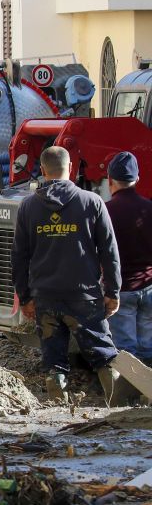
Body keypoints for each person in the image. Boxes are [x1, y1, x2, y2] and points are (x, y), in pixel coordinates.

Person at [13, 146, 122, 402]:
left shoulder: (28, 207)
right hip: (83, 296)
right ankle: (119, 407)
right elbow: (109, 250)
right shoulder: (92, 202)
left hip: (46, 297)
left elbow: (18, 256)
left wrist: (25, 296)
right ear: (70, 167)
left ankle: (56, 412)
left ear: (42, 170)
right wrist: (112, 291)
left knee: (53, 360)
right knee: (104, 355)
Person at [105, 151, 152, 362]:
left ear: (109, 180)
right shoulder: (149, 208)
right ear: (137, 179)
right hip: (149, 287)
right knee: (148, 349)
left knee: (125, 353)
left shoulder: (105, 212)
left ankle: (128, 394)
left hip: (120, 291)